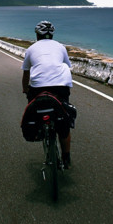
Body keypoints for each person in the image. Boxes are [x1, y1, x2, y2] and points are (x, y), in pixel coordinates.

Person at [22, 20, 73, 169]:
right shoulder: (61, 47)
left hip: (38, 88)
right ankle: (66, 157)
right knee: (64, 119)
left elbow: (26, 73)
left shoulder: (31, 49)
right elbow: (67, 66)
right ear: (52, 35)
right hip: (61, 86)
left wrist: (26, 90)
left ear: (37, 35)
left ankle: (39, 131)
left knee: (35, 108)